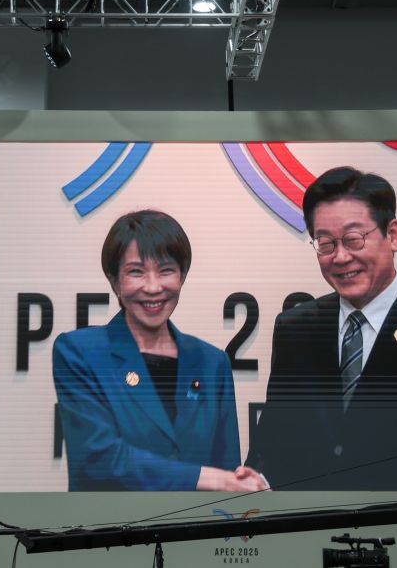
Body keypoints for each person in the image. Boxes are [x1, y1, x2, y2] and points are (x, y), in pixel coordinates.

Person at [246, 167, 397, 490]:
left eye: (353, 239)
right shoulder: (296, 329)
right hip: (307, 520)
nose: (340, 257)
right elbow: (271, 444)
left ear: (393, 235)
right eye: (325, 243)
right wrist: (253, 479)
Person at [54, 210, 266, 491]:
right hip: (112, 520)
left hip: (195, 522)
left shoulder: (212, 363)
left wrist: (241, 492)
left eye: (166, 270)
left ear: (182, 276)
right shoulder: (80, 352)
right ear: (115, 281)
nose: (153, 287)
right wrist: (209, 478)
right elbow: (99, 459)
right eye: (136, 272)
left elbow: (227, 472)